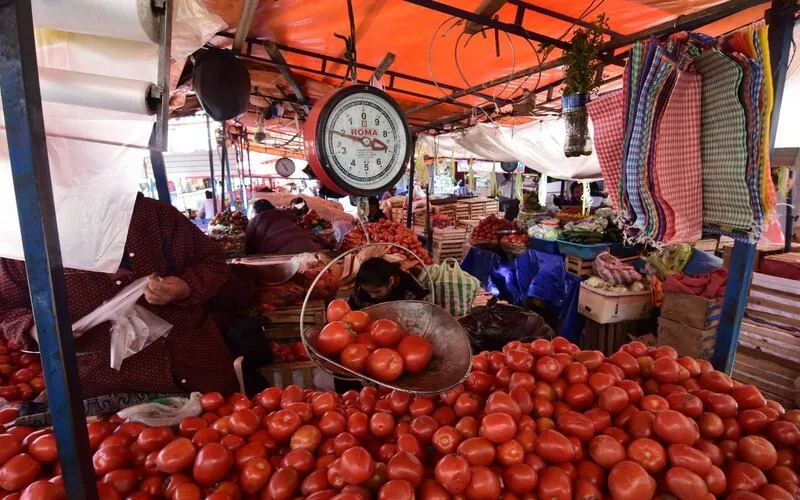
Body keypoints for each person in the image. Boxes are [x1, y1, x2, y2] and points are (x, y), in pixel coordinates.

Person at [0, 193, 238, 399]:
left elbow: (213, 262)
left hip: (190, 366)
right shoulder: (22, 238)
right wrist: (36, 329)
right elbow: (8, 306)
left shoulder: (150, 215)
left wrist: (184, 287)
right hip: (96, 383)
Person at [246, 199, 322, 255]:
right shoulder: (284, 214)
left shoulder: (254, 221)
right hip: (310, 248)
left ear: (254, 212)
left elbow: (250, 249)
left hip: (284, 256)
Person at [349, 257, 428, 310]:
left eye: (377, 291)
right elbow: (352, 310)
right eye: (367, 291)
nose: (372, 296)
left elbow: (420, 314)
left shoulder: (411, 289)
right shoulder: (360, 287)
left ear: (391, 281)